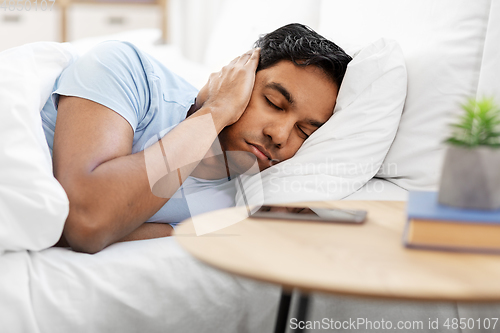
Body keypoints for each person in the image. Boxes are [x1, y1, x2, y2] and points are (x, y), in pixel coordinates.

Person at [42, 23, 352, 253]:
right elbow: (87, 218)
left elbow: (77, 230)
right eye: (273, 102)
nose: (280, 134)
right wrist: (217, 110)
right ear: (240, 72)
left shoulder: (236, 205)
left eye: (305, 132)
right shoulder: (128, 69)